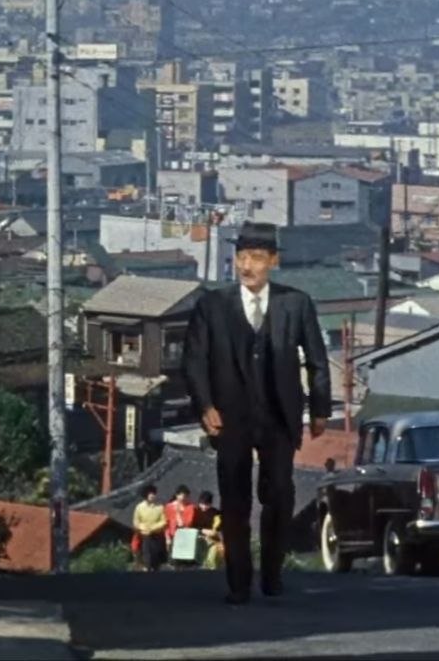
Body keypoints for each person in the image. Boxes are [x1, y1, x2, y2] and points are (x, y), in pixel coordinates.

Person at [183, 221, 330, 605]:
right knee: (235, 497)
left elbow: (317, 359)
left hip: (279, 413)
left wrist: (320, 409)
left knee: (279, 493)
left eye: (258, 258)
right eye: (242, 257)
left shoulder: (295, 303)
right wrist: (205, 405)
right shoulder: (212, 305)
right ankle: (238, 582)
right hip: (229, 415)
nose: (248, 266)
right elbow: (194, 360)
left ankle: (272, 574)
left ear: (273, 261)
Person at [132, 484, 167, 571]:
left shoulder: (160, 507)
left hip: (157, 536)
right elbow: (136, 522)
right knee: (146, 557)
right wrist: (142, 527)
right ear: (145, 495)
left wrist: (153, 528)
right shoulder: (139, 507)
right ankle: (146, 568)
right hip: (144, 536)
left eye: (153, 493)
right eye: (150, 493)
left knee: (156, 558)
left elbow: (164, 521)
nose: (152, 495)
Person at [194, 491, 224, 571]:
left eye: (206, 504)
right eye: (202, 504)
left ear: (210, 504)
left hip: (213, 539)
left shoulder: (215, 513)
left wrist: (215, 533)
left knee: (214, 553)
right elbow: (192, 526)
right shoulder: (195, 511)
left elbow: (219, 528)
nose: (203, 507)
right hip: (198, 538)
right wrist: (202, 530)